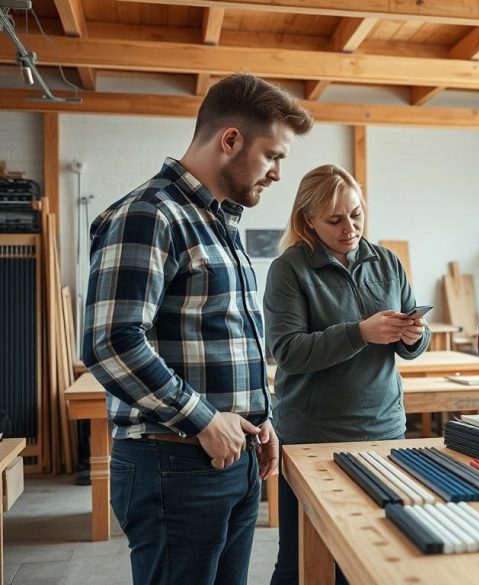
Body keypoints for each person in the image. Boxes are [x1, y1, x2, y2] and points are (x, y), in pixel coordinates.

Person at [82, 73, 313, 585]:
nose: (277, 174)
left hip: (233, 457)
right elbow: (110, 342)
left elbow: (224, 333)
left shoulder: (217, 222)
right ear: (231, 140)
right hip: (175, 463)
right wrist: (205, 420)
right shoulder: (149, 214)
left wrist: (261, 416)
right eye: (273, 155)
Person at [263, 164, 431, 585]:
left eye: (356, 214)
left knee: (375, 552)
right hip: (312, 437)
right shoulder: (289, 269)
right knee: (302, 560)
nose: (350, 228)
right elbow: (287, 351)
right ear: (308, 220)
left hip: (383, 431)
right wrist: (359, 333)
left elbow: (412, 347)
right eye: (335, 220)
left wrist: (413, 336)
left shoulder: (387, 262)